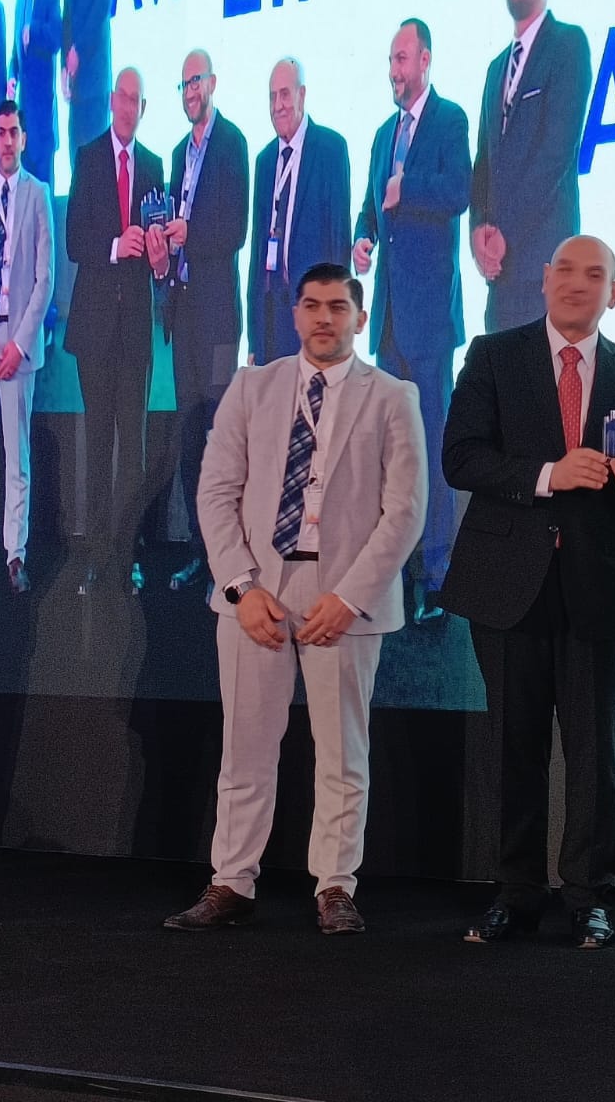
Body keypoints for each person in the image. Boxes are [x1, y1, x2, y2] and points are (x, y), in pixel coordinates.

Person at [163, 263, 425, 936]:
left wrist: (351, 598)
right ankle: (231, 881)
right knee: (245, 749)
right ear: (296, 313)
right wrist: (240, 587)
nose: (323, 318)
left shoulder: (393, 396)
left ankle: (335, 886)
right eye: (311, 305)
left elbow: (404, 512)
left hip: (344, 597)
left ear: (359, 317)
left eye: (337, 306)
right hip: (258, 594)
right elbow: (215, 492)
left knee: (343, 754)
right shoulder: (253, 386)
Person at [439, 234, 615, 950]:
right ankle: (516, 893)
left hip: (600, 586)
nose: (576, 283)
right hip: (508, 586)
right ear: (542, 281)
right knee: (515, 747)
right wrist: (548, 475)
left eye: (594, 274)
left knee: (599, 757)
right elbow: (460, 457)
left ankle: (590, 897)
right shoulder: (493, 355)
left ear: (613, 293)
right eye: (565, 270)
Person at [353, 18, 470, 624]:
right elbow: (371, 205)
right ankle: (395, 564)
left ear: (425, 59)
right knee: (393, 449)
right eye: (391, 60)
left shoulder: (450, 120)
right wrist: (363, 237)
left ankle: (439, 570)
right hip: (389, 321)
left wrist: (408, 187)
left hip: (428, 321)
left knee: (430, 442)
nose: (394, 71)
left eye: (402, 59)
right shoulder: (383, 134)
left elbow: (459, 191)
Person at [63, 66, 167, 595]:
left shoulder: (154, 165)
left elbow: (161, 257)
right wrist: (114, 245)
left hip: (136, 334)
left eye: (136, 100)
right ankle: (97, 557)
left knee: (135, 453)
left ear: (143, 109)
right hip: (95, 331)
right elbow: (74, 240)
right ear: (111, 101)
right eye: (122, 97)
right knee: (98, 445)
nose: (128, 107)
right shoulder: (87, 158)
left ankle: (128, 557)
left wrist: (158, 256)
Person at [154, 50, 249, 594]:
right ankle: (198, 550)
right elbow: (173, 227)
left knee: (221, 439)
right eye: (184, 83)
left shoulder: (232, 143)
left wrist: (191, 234)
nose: (190, 90)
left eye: (196, 80)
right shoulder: (176, 153)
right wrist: (165, 251)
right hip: (184, 315)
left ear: (212, 82)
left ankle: (226, 560)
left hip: (218, 321)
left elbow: (236, 229)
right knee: (190, 440)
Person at [469, 0, 591, 333]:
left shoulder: (568, 45)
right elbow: (483, 164)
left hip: (546, 269)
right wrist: (478, 231)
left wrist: (505, 232)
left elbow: (555, 155)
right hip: (500, 278)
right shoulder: (495, 69)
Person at [246, 58, 351, 365]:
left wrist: (337, 327)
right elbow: (257, 254)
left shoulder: (331, 149)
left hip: (316, 319)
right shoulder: (265, 161)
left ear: (301, 95)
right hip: (271, 322)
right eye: (272, 97)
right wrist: (253, 338)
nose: (277, 105)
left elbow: (339, 244)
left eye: (285, 94)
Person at [0, 101, 54, 594]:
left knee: (18, 458)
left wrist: (18, 343)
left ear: (24, 138)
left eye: (14, 131)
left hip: (17, 340)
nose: (7, 141)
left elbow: (45, 279)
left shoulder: (37, 195)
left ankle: (15, 554)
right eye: (1, 132)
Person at [9, 0, 61, 185]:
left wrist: (35, 31)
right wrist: (12, 76)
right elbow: (15, 51)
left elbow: (56, 36)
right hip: (24, 120)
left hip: (42, 118)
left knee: (43, 192)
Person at [62, 0, 115, 167]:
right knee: (77, 163)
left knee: (97, 167)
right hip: (76, 85)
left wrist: (79, 50)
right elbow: (68, 7)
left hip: (94, 77)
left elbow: (103, 1)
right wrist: (64, 65)